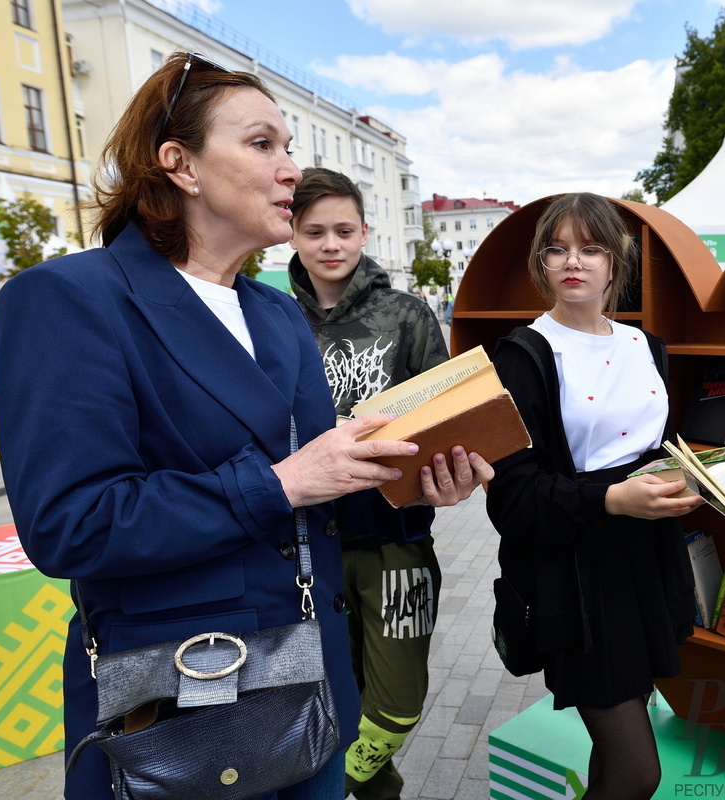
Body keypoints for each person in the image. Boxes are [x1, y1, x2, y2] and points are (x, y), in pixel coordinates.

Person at [0, 52, 488, 800]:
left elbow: (312, 503)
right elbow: (72, 524)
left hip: (309, 696)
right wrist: (282, 483)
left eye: (289, 147)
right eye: (262, 144)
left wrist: (410, 486)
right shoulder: (68, 298)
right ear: (180, 164)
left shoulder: (276, 313)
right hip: (178, 708)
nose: (291, 170)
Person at [485, 192, 703, 799]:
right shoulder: (525, 355)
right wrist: (612, 500)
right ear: (541, 263)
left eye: (590, 248)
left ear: (616, 262)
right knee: (638, 773)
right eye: (556, 250)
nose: (573, 261)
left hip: (646, 560)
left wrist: (696, 477)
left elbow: (653, 446)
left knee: (611, 761)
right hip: (580, 576)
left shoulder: (644, 346)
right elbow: (512, 498)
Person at [287, 167, 487, 799]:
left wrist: (451, 475)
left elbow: (446, 420)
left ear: (365, 232)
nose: (331, 244)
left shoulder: (406, 314)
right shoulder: (272, 318)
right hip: (306, 548)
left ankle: (332, 787)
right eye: (314, 231)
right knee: (337, 702)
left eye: (344, 230)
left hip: (396, 538)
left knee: (395, 704)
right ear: (291, 234)